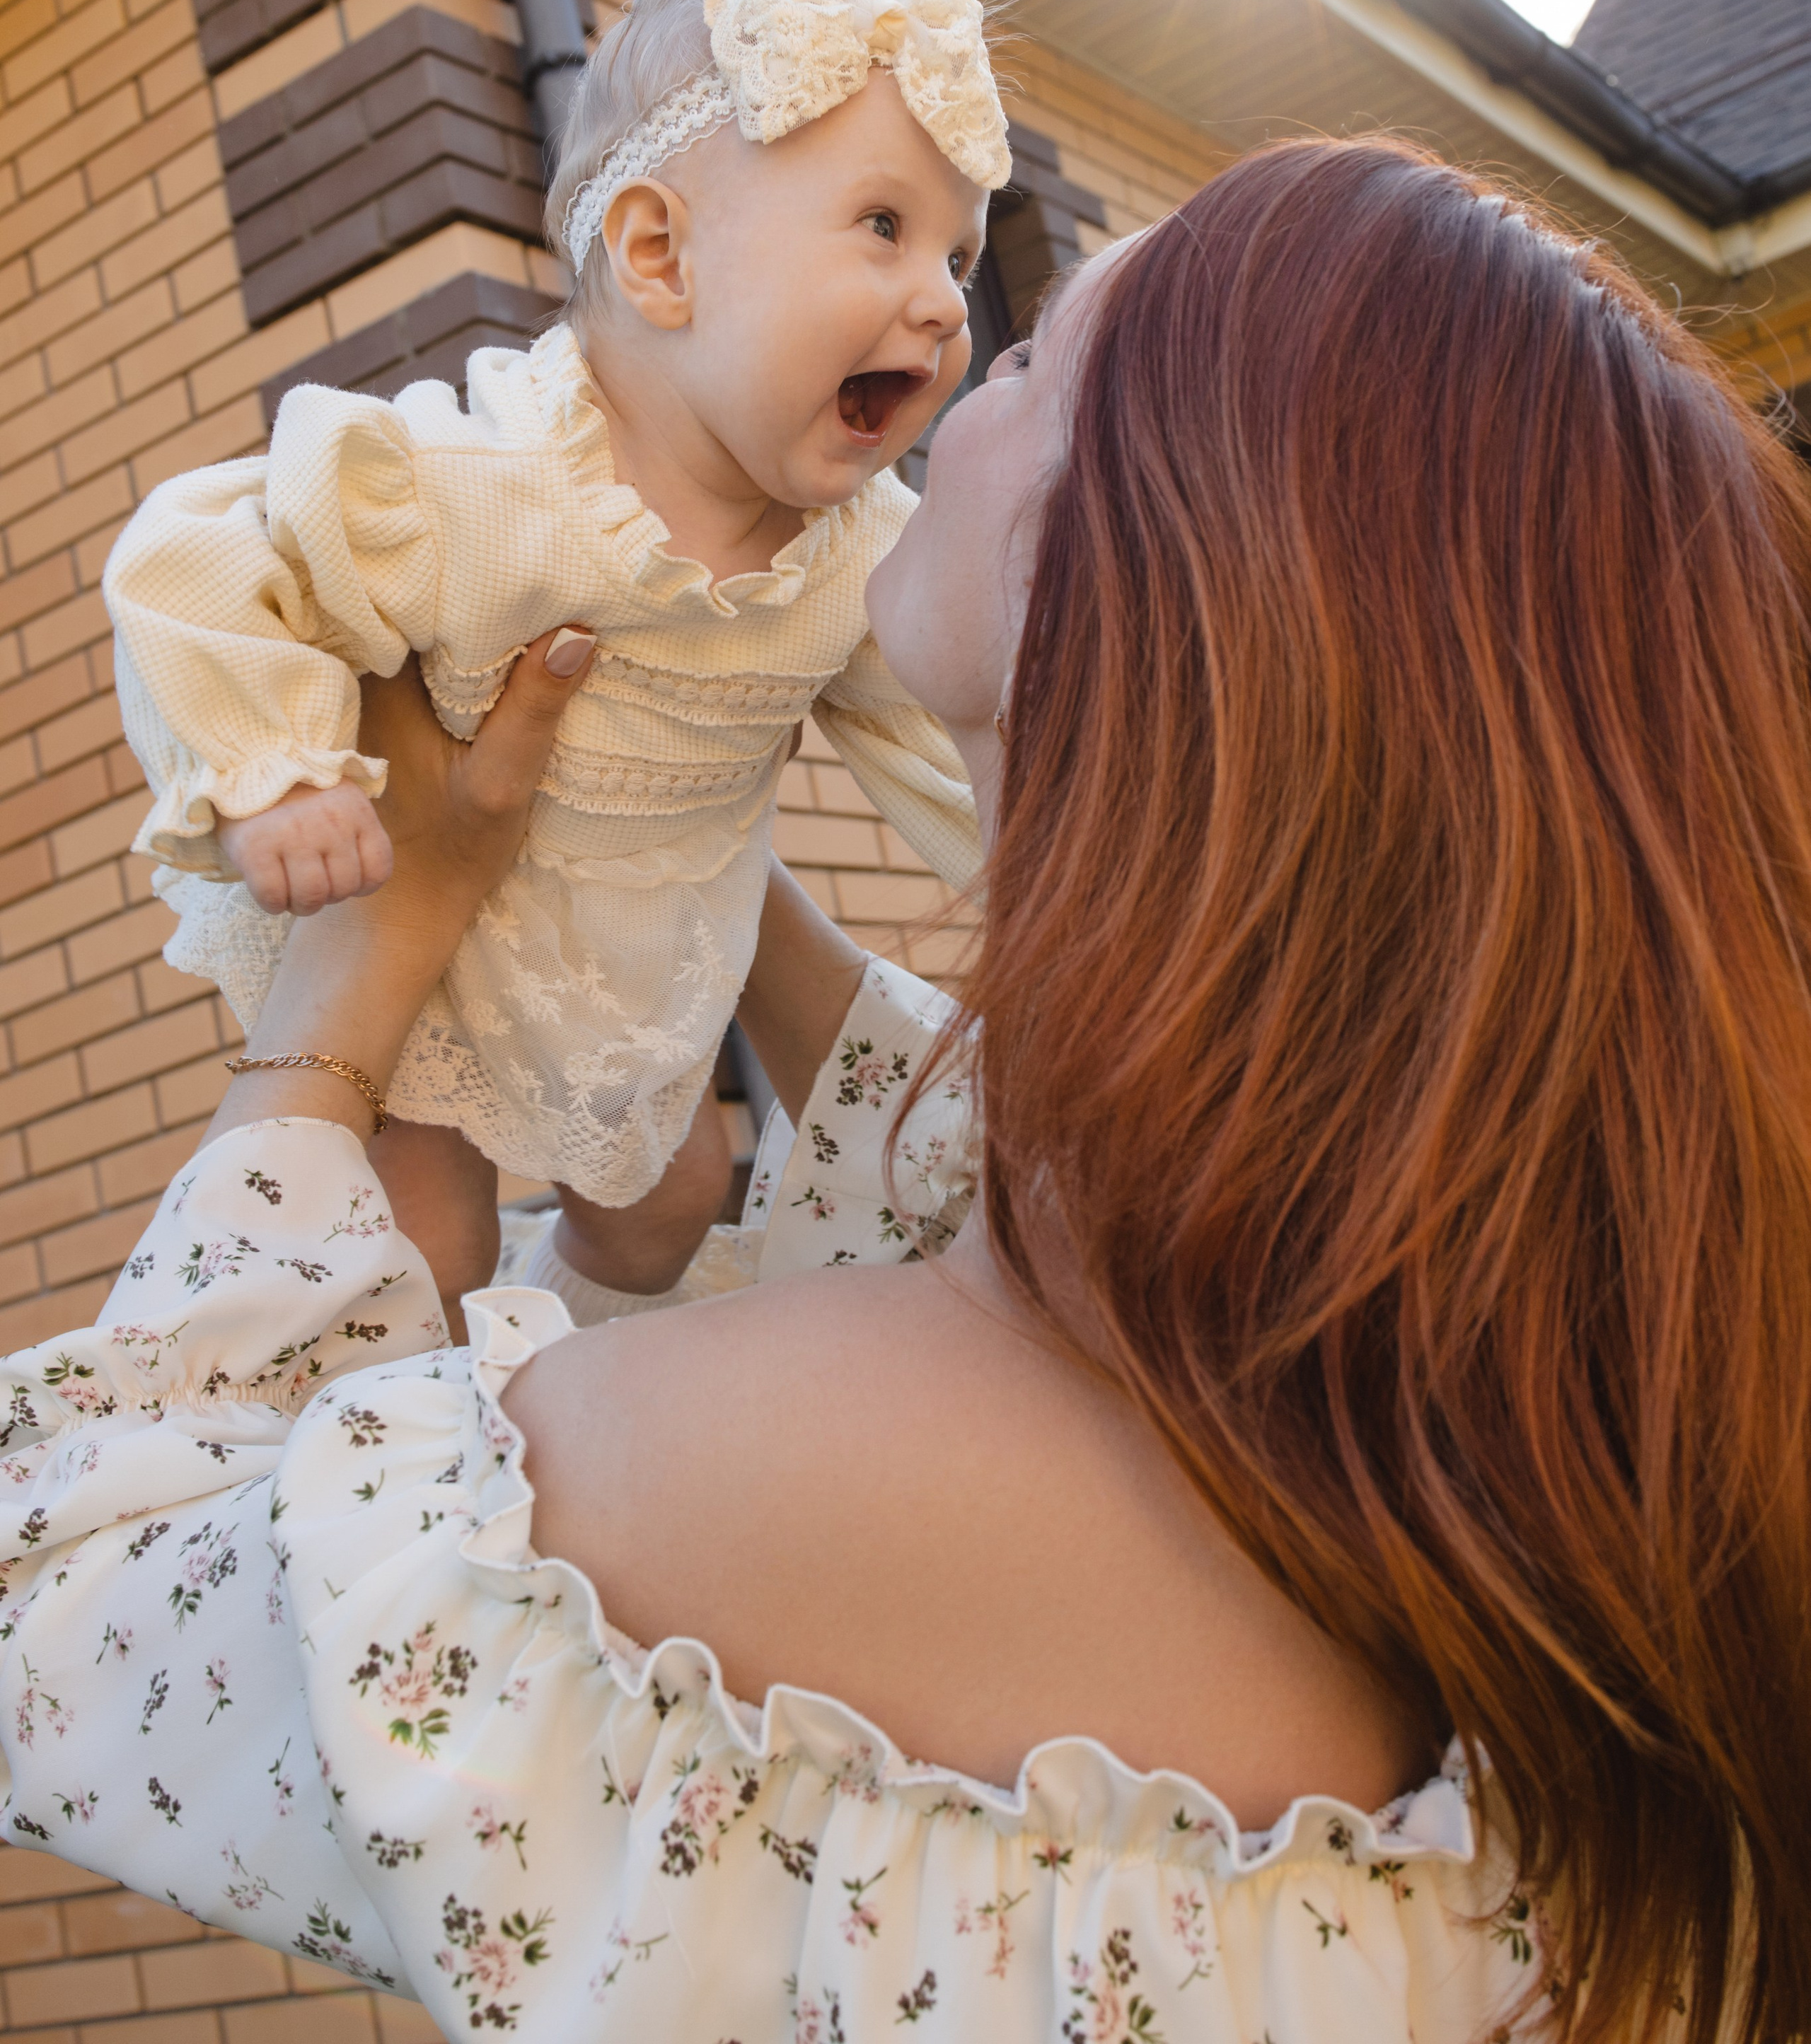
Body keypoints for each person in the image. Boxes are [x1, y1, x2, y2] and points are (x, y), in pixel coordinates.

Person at [5, 137, 1810, 2044]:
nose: (958, 353)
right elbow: (995, 1158)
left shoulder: (684, 1506)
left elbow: (64, 1591)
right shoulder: (1526, 1434)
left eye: (1039, 358)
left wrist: (362, 974)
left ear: (1139, 563)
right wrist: (669, 825)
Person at [100, 0, 999, 1313]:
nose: (942, 304)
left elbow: (959, 734)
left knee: (683, 1202)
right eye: (885, 225)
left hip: (630, 976)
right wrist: (272, 772)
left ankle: (552, 1385)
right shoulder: (484, 485)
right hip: (430, 946)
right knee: (424, 1247)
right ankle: (404, 1446)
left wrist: (1053, 843)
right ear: (659, 256)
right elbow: (202, 555)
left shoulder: (854, 556)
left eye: (959, 254)